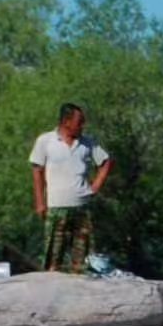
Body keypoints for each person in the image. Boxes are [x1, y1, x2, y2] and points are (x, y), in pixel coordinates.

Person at [29, 103, 112, 276]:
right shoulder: (46, 141)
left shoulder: (87, 143)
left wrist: (95, 187)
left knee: (83, 259)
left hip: (81, 207)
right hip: (56, 206)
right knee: (53, 256)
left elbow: (106, 162)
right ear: (66, 122)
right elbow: (37, 171)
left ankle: (80, 289)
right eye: (79, 122)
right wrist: (40, 203)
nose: (82, 126)